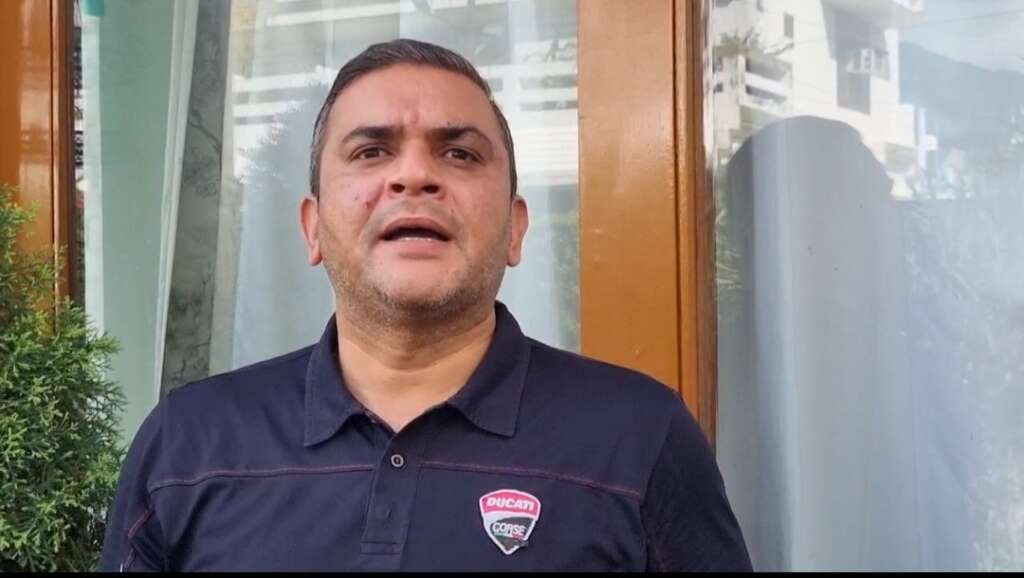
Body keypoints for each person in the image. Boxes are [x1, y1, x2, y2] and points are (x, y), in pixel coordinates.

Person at [98, 39, 751, 572]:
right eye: (371, 151)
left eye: (459, 153)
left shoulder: (641, 438)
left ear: (516, 229)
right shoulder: (189, 443)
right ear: (313, 228)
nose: (414, 176)